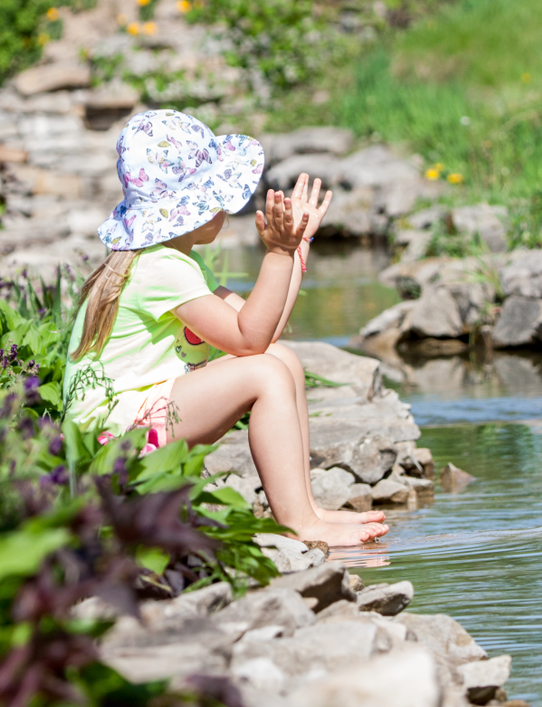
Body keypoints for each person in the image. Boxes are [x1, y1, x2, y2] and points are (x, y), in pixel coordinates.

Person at [63, 109, 388, 546]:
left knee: (281, 359)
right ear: (186, 210)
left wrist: (295, 247)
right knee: (265, 371)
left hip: (134, 416)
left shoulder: (175, 261)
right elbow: (249, 340)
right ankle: (298, 525)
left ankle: (306, 508)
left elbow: (262, 333)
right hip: (108, 439)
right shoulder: (161, 269)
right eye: (216, 198)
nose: (225, 210)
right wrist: (276, 254)